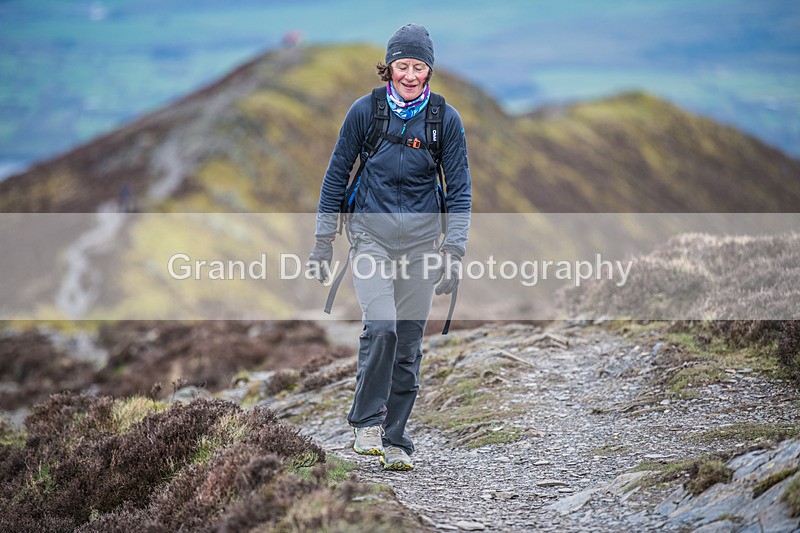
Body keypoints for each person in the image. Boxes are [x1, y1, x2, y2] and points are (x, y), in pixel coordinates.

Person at [308, 23, 471, 471]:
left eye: (419, 67)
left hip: (422, 244)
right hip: (370, 238)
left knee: (409, 344)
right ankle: (366, 423)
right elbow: (336, 175)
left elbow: (459, 191)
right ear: (389, 68)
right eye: (403, 66)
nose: (410, 75)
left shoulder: (444, 120)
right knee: (382, 327)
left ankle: (395, 437)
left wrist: (454, 251)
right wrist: (323, 241)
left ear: (429, 70)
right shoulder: (365, 112)